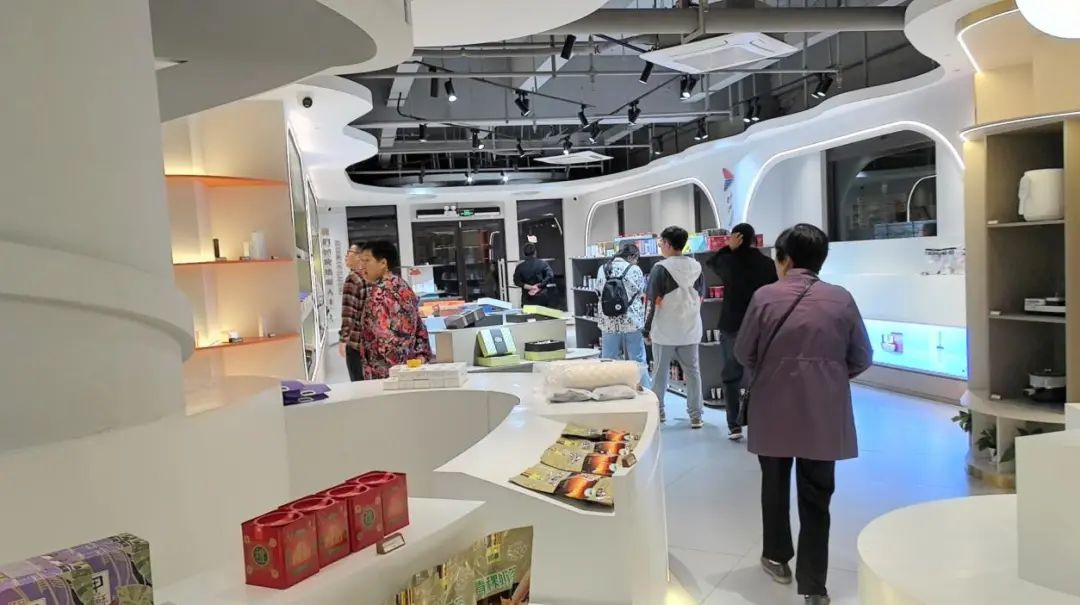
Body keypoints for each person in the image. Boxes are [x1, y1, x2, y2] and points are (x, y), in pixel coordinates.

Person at [734, 224, 873, 605]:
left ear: (786, 259)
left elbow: (744, 352)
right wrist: (827, 375)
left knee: (774, 486)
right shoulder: (841, 299)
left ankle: (776, 557)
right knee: (817, 496)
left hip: (772, 407)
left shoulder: (765, 297)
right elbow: (862, 356)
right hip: (822, 412)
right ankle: (814, 586)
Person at [706, 223, 778, 441]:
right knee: (760, 375)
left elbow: (712, 263)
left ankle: (734, 425)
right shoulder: (767, 263)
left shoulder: (729, 261)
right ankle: (762, 421)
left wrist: (728, 248)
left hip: (733, 325)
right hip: (761, 324)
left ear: (735, 238)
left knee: (731, 376)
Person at [644, 226, 705, 428]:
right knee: (693, 373)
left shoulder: (660, 269)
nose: (660, 246)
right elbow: (701, 297)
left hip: (665, 330)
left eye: (661, 242)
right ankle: (696, 415)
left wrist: (646, 329)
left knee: (659, 374)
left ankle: (659, 412)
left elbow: (652, 302)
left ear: (668, 244)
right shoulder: (697, 267)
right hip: (690, 329)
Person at [357, 240, 433, 379]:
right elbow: (420, 328)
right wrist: (420, 357)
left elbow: (382, 340)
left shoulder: (377, 294)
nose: (362, 266)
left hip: (386, 375)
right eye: (361, 261)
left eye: (367, 260)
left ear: (383, 263)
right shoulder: (403, 286)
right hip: (411, 367)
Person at [595, 243, 650, 388]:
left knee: (608, 359)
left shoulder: (602, 269)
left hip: (608, 321)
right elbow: (640, 291)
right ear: (632, 256)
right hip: (631, 321)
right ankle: (644, 391)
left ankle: (609, 390)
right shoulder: (635, 269)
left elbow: (598, 291)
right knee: (637, 359)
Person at [338, 243, 368, 382]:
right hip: (371, 342)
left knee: (358, 383)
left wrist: (343, 339)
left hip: (356, 342)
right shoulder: (370, 277)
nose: (345, 256)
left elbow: (348, 313)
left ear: (358, 256)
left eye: (348, 252)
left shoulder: (352, 279)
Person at [513, 243, 555, 307]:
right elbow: (550, 276)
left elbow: (516, 281)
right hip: (541, 297)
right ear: (535, 252)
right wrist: (539, 285)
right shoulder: (543, 264)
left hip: (527, 298)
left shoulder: (520, 267)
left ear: (524, 253)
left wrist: (530, 287)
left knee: (527, 313)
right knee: (542, 313)